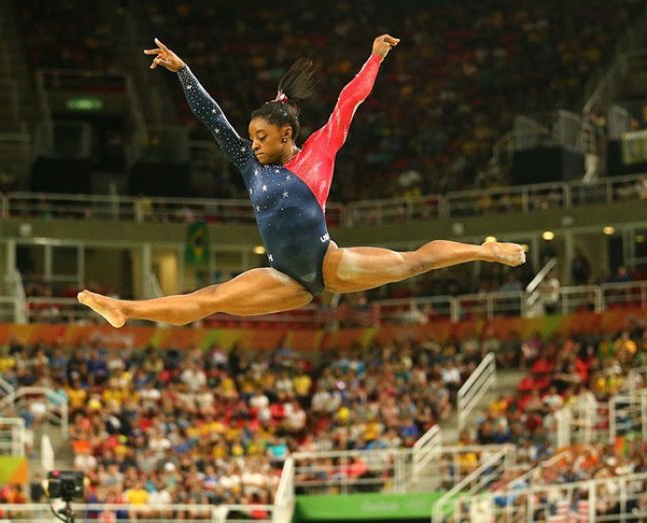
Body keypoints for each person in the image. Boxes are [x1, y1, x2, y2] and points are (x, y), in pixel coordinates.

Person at [78, 35, 526, 327]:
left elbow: (347, 102)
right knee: (210, 297)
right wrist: (183, 72)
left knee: (414, 262)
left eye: (260, 137)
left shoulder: (319, 150)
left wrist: (374, 58)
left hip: (328, 263)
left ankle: (481, 251)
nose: (251, 145)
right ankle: (124, 309)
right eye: (250, 137)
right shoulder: (249, 164)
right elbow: (212, 119)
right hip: (283, 279)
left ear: (286, 135)